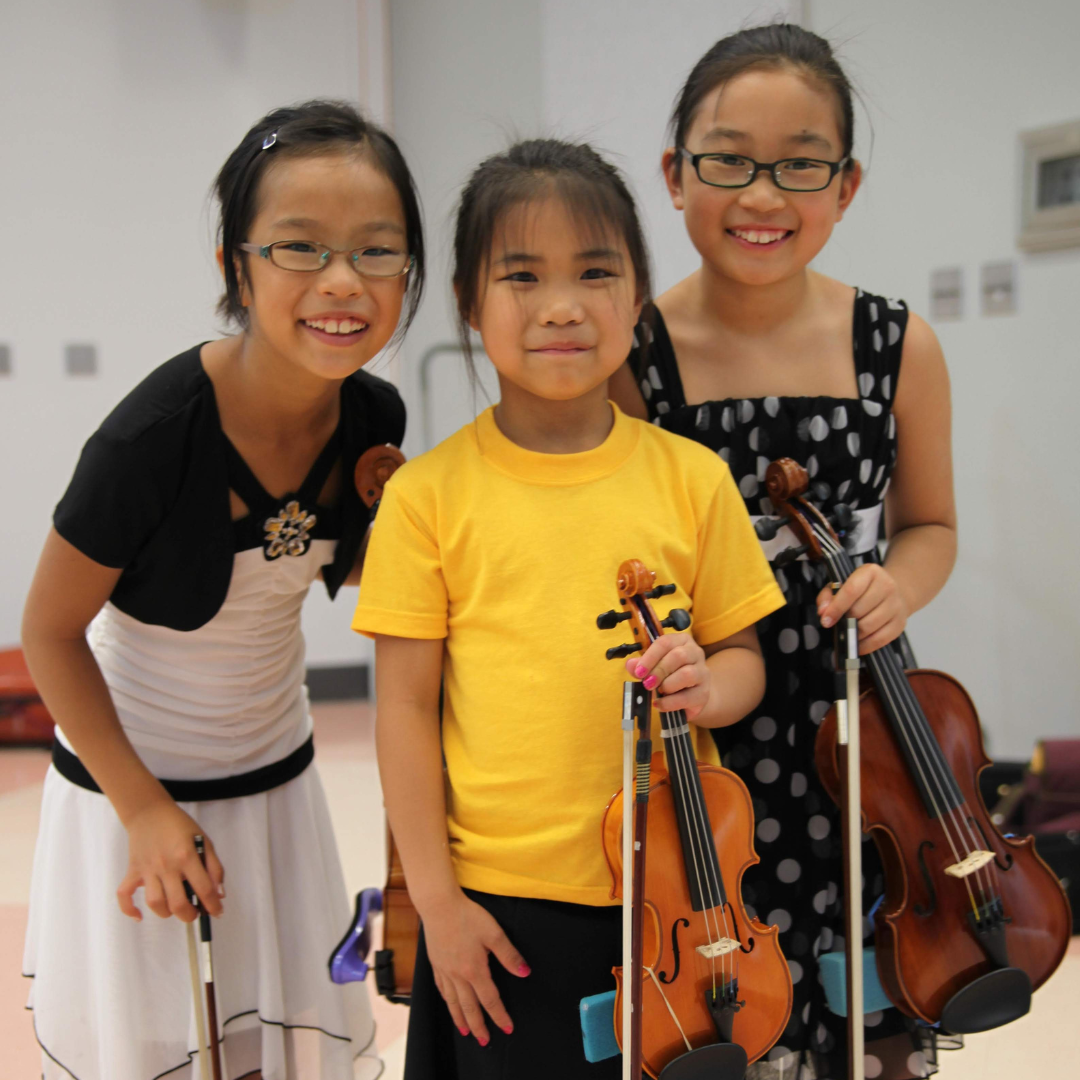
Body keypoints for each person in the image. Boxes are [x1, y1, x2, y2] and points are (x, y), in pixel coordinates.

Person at [353, 138, 785, 1079]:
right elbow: (401, 714)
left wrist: (710, 687)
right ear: (469, 302)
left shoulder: (692, 477)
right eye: (522, 275)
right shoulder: (429, 497)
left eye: (596, 272)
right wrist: (438, 903)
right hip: (502, 912)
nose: (562, 305)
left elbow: (746, 657)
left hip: (683, 895)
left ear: (635, 298)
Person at [20, 99, 424, 1080]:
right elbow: (49, 634)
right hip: (133, 782)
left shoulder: (373, 413)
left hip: (276, 775)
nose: (341, 282)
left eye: (377, 251)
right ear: (234, 269)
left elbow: (366, 576)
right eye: (299, 248)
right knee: (159, 1051)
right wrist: (143, 809)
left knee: (269, 1051)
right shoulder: (148, 441)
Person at [609, 24, 958, 1080]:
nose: (764, 195)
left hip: (864, 720)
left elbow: (930, 527)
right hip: (710, 723)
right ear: (675, 176)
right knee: (731, 1003)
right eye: (728, 159)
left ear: (845, 186)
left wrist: (897, 583)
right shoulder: (634, 353)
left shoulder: (897, 344)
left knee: (870, 997)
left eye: (801, 163)